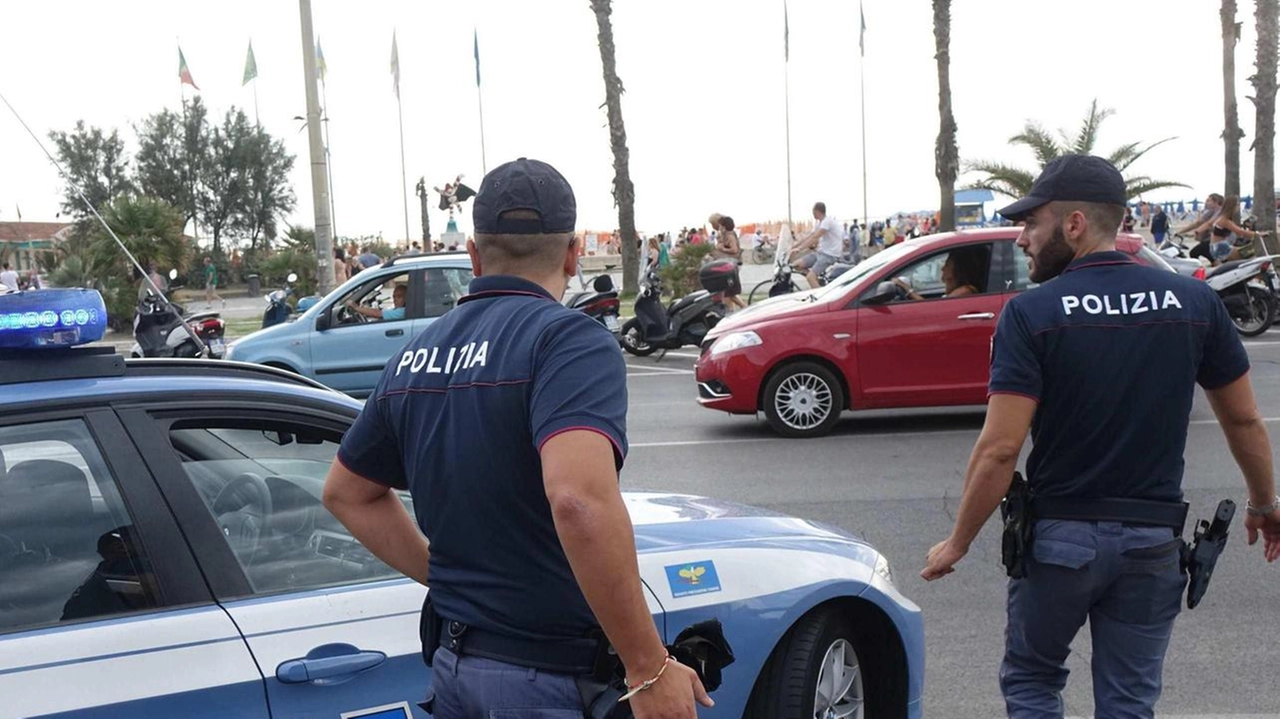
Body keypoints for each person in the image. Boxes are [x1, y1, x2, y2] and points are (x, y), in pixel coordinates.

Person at [321, 158, 711, 719]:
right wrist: (648, 667)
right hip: (544, 679)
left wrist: (448, 576)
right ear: (574, 255)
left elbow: (345, 492)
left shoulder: (416, 353)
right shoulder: (567, 341)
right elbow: (577, 500)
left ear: (474, 256)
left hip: (456, 667)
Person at [920, 155, 1280, 719]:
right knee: (1129, 702)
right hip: (1152, 544)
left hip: (1060, 543)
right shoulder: (1194, 304)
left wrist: (959, 541)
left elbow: (1000, 448)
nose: (1022, 239)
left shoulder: (1031, 313)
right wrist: (1265, 503)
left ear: (1074, 224)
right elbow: (1242, 421)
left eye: (1031, 223)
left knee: (1034, 683)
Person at [1182, 195, 1269, 265]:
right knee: (1248, 256)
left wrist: (1196, 232)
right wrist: (1258, 234)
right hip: (1221, 248)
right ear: (1232, 206)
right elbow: (1240, 232)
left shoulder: (1221, 217)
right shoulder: (1225, 220)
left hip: (1216, 247)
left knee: (1242, 258)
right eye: (1237, 205)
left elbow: (1209, 224)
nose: (1238, 207)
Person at [892, 248, 983, 301]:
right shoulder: (958, 289)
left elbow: (933, 308)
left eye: (947, 265)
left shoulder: (965, 290)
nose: (942, 268)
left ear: (957, 269)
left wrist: (906, 288)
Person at [789, 201, 843, 288]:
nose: (812, 214)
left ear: (817, 211)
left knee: (810, 278)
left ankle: (822, 298)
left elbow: (815, 237)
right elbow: (808, 236)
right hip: (821, 253)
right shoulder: (820, 223)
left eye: (813, 212)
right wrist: (793, 246)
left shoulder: (827, 221)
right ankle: (817, 280)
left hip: (829, 255)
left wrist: (800, 249)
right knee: (796, 265)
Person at [712, 215, 747, 312]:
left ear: (724, 226)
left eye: (720, 226)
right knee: (727, 293)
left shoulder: (730, 236)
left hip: (732, 264)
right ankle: (732, 309)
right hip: (729, 264)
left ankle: (743, 308)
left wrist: (722, 248)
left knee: (729, 292)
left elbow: (734, 249)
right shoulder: (726, 235)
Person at [1177, 193, 1223, 262]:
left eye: (1209, 201)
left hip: (1216, 240)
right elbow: (1198, 222)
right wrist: (1182, 232)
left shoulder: (1219, 212)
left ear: (1215, 202)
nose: (1206, 203)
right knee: (1210, 257)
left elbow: (1208, 224)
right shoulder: (1211, 211)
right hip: (1209, 239)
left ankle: (1199, 270)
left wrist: (1195, 232)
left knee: (1194, 253)